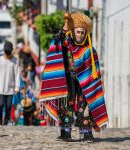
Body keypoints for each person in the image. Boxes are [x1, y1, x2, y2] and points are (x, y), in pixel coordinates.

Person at [40, 12, 108, 142]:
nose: (80, 35)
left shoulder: (90, 50)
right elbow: (56, 40)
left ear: (85, 34)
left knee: (84, 107)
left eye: (82, 32)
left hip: (85, 83)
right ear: (73, 32)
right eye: (78, 32)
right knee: (67, 106)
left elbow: (95, 69)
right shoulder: (67, 45)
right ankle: (66, 133)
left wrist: (98, 82)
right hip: (69, 80)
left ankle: (87, 133)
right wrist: (64, 28)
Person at [0, 41, 20, 125]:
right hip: (0, 87)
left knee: (8, 106)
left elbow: (17, 74)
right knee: (0, 104)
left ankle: (7, 120)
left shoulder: (15, 60)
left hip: (10, 88)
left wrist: (16, 87)